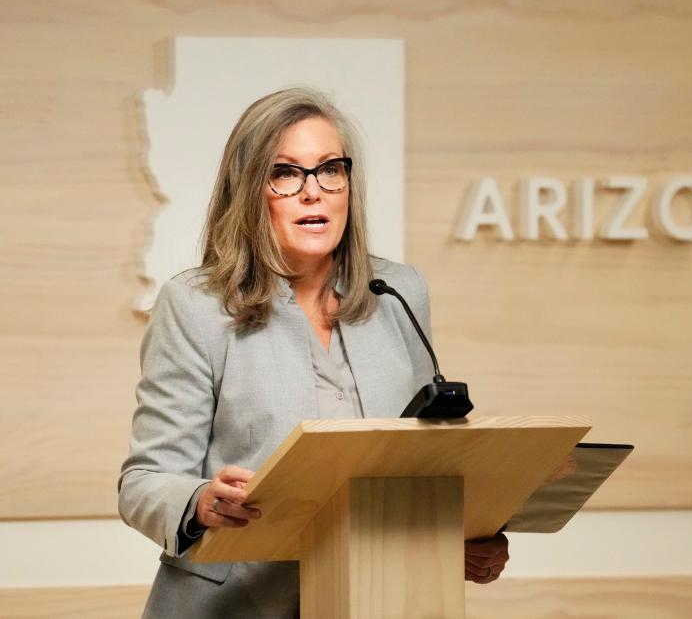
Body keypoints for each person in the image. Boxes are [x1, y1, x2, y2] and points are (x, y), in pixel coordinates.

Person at [119, 87, 509, 617]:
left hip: (379, 597)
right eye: (286, 173)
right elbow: (145, 481)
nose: (314, 192)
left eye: (330, 169)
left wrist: (460, 534)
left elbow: (425, 458)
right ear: (250, 190)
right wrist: (200, 502)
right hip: (233, 603)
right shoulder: (194, 307)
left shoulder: (398, 291)